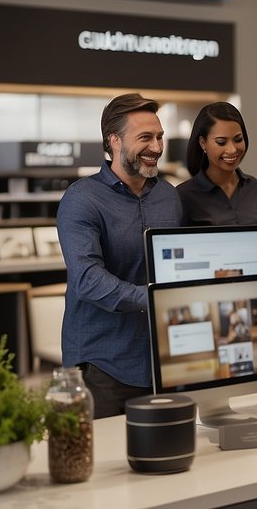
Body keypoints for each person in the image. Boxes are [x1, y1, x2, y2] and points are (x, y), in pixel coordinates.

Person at [56, 93, 184, 418]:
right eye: (145, 137)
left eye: (159, 137)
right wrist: (153, 297)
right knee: (108, 465)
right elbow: (87, 279)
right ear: (114, 141)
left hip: (162, 363)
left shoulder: (170, 197)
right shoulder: (82, 200)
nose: (156, 147)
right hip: (103, 365)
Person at [177, 101, 257, 225]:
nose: (232, 150)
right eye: (221, 142)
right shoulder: (184, 195)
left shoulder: (254, 187)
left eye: (238, 139)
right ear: (203, 143)